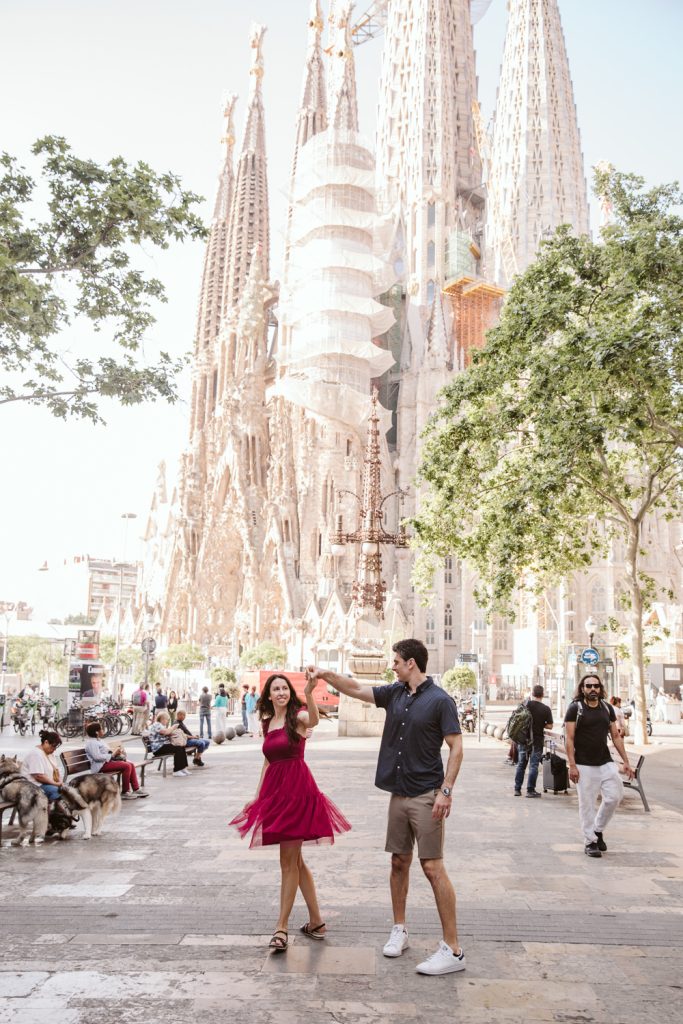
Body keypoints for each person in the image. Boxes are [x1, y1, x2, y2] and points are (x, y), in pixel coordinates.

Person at [308, 638, 465, 976]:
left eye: (396, 661)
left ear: (411, 663)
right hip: (398, 794)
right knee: (398, 862)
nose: (392, 665)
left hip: (427, 793)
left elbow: (456, 747)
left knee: (433, 868)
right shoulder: (394, 694)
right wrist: (326, 675)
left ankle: (453, 949)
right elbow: (356, 688)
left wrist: (446, 791)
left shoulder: (440, 701)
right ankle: (399, 929)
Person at [229, 673, 350, 952]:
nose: (281, 692)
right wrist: (257, 796)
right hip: (276, 794)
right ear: (269, 696)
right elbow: (267, 761)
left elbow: (315, 720)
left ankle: (281, 927)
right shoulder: (268, 721)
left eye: (285, 688)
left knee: (287, 862)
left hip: (297, 792)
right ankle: (316, 922)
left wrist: (309, 692)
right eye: (276, 689)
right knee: (296, 862)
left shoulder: (299, 716)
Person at [564, 673, 635, 858]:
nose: (593, 689)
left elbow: (616, 736)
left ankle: (597, 829)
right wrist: (572, 765)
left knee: (614, 796)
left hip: (605, 762)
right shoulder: (575, 709)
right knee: (586, 804)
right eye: (588, 686)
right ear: (582, 689)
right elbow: (569, 739)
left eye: (596, 686)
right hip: (583, 764)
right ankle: (590, 842)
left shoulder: (606, 708)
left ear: (600, 688)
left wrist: (626, 761)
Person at [83, 721, 148, 799]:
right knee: (126, 766)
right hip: (100, 766)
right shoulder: (91, 743)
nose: (103, 731)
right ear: (97, 732)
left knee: (130, 764)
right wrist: (112, 755)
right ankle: (125, 791)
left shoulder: (99, 740)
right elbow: (96, 757)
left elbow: (106, 751)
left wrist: (116, 752)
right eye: (101, 729)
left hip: (106, 762)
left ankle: (136, 789)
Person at [514, 684, 553, 798]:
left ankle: (517, 789)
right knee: (533, 765)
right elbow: (550, 726)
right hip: (537, 741)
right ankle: (530, 790)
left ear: (532, 694)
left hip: (523, 740)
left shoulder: (525, 705)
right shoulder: (545, 709)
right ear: (543, 695)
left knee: (521, 764)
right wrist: (541, 724)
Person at [21, 730, 63, 801]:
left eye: (56, 747)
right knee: (56, 791)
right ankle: (53, 811)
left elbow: (57, 770)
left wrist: (60, 782)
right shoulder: (36, 754)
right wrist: (56, 784)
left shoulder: (50, 754)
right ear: (46, 742)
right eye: (53, 746)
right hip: (34, 785)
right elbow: (39, 776)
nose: (54, 749)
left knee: (67, 791)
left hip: (47, 783)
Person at [147, 711, 191, 777]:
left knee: (181, 747)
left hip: (162, 746)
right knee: (178, 749)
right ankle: (176, 771)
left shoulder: (160, 725)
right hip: (158, 748)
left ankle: (183, 768)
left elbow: (166, 733)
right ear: (162, 719)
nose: (167, 721)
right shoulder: (157, 725)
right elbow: (165, 732)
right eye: (167, 720)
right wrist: (173, 727)